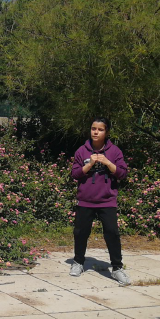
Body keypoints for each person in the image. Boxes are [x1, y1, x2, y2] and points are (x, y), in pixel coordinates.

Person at [69, 117, 130, 284]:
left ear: (106, 132)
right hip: (85, 200)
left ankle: (117, 268)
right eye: (93, 128)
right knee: (80, 233)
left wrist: (107, 162)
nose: (96, 132)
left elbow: (123, 174)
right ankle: (78, 262)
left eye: (100, 129)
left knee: (112, 233)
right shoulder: (82, 150)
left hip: (107, 201)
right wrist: (89, 165)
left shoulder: (115, 151)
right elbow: (75, 174)